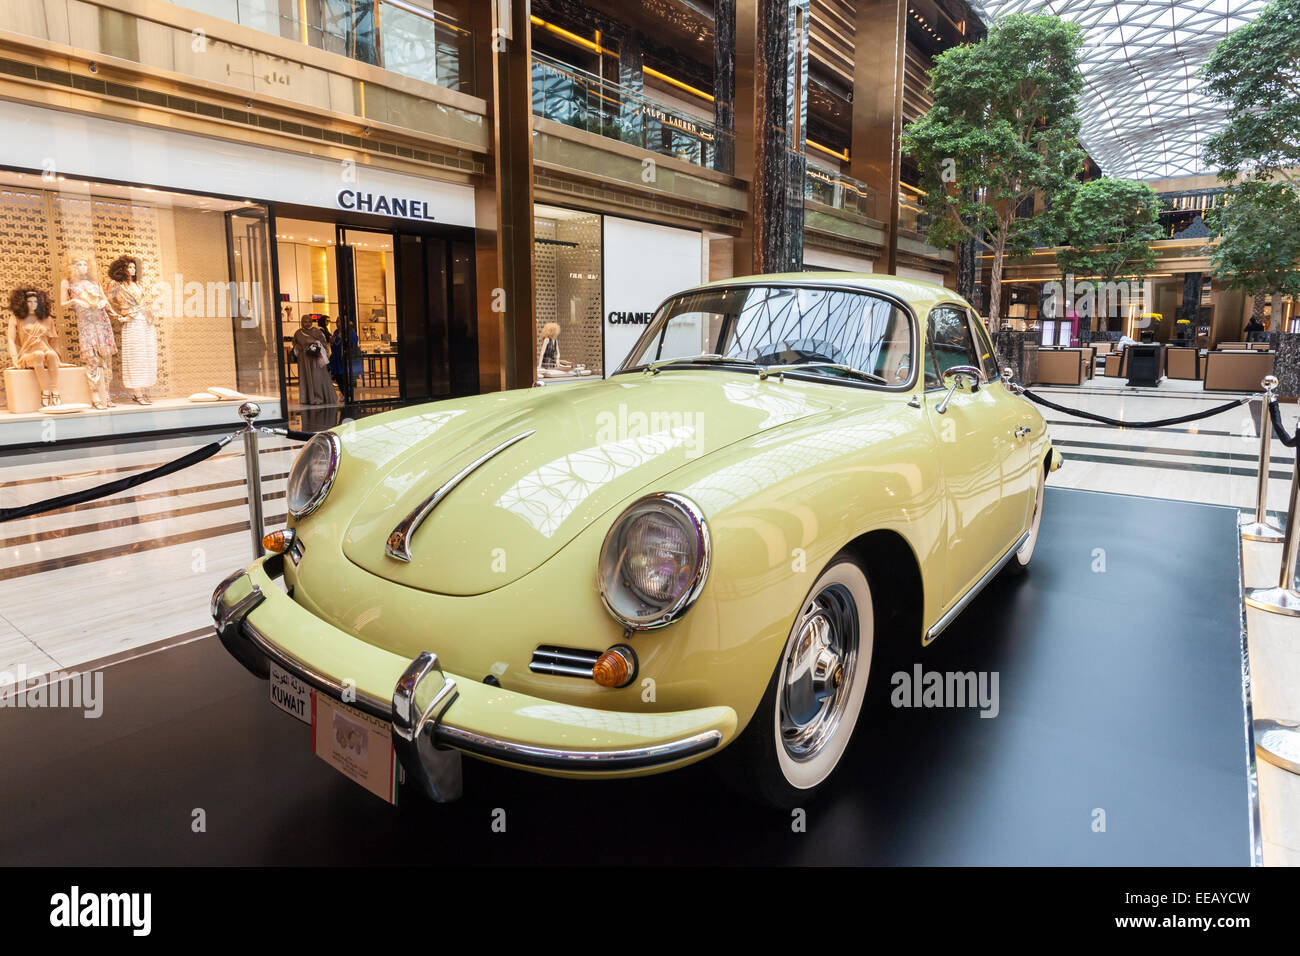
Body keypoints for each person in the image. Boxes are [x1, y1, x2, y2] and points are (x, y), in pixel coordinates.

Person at [292, 313, 333, 405]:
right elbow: (294, 343)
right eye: (305, 322)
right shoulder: (298, 333)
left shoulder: (317, 332)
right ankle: (307, 398)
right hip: (303, 360)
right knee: (305, 378)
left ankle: (319, 398)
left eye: (309, 321)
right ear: (301, 322)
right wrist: (296, 346)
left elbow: (324, 344)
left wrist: (314, 341)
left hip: (315, 360)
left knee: (316, 378)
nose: (307, 323)